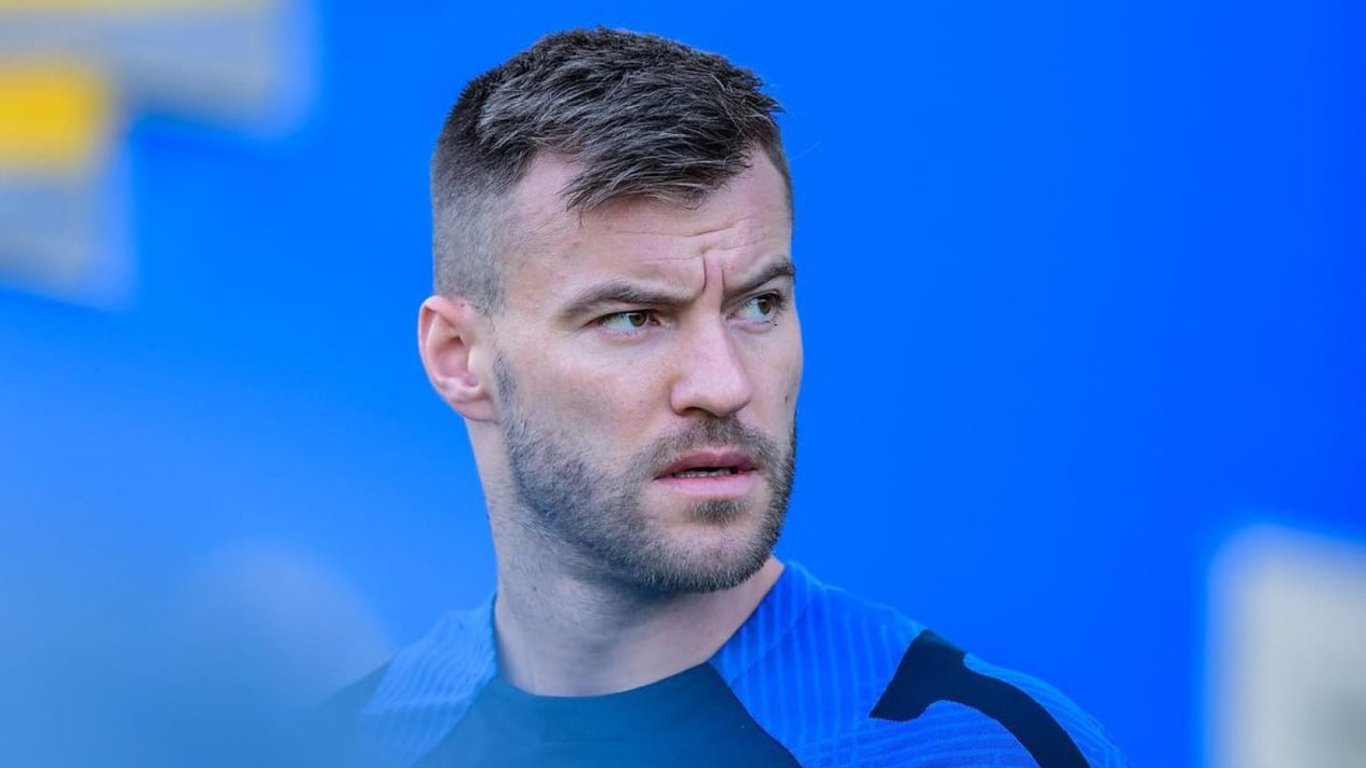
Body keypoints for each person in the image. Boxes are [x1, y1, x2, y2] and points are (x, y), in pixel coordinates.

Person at [328, 27, 1126, 768]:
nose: (724, 384)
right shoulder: (343, 745)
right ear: (459, 359)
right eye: (633, 318)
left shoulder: (971, 748)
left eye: (758, 305)